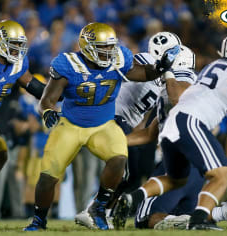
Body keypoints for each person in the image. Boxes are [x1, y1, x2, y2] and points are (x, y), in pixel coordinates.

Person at [23, 22, 181, 231]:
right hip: (71, 125)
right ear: (87, 47)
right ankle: (39, 221)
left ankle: (98, 208)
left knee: (119, 159)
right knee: (48, 175)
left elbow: (142, 73)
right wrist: (49, 111)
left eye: (110, 46)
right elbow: (47, 99)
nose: (108, 51)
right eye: (103, 47)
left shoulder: (119, 58)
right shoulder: (68, 65)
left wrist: (159, 69)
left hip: (104, 125)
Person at [114, 31, 227, 231]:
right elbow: (150, 133)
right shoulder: (209, 75)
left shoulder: (190, 75)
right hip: (190, 150)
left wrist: (168, 73)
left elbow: (179, 101)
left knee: (149, 219)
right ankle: (222, 213)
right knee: (188, 207)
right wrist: (114, 142)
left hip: (184, 143)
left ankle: (206, 217)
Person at [74, 32, 182, 229]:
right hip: (112, 114)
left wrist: (133, 136)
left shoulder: (167, 79)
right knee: (125, 170)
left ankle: (100, 212)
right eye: (175, 52)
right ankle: (93, 210)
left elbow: (146, 114)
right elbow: (121, 73)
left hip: (125, 122)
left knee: (132, 176)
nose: (178, 56)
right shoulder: (145, 60)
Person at [0, 19, 48, 228]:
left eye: (19, 44)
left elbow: (32, 85)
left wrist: (60, 93)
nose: (18, 50)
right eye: (13, 44)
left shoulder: (17, 64)